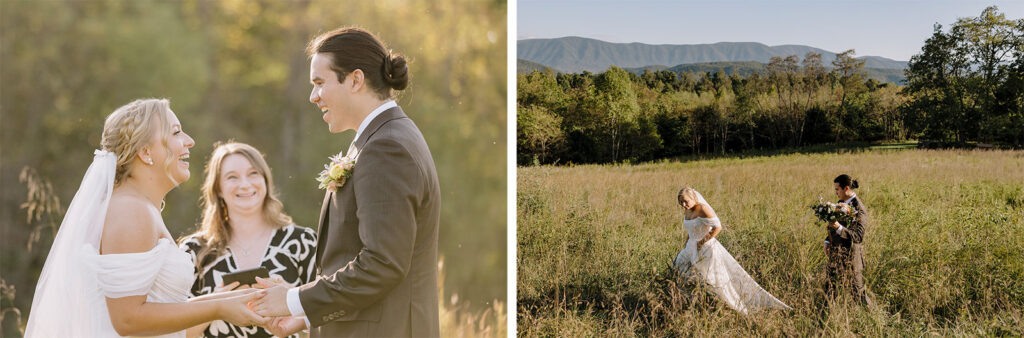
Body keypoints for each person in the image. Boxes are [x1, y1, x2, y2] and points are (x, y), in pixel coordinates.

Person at [251, 27, 441, 337]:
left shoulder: (386, 148)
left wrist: (292, 299)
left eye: (319, 83)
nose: (313, 96)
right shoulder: (384, 137)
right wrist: (307, 314)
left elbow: (382, 264)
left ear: (355, 80)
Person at [25, 99, 266, 337]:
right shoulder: (130, 211)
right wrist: (216, 306)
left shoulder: (140, 207)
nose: (189, 141)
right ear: (146, 152)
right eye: (176, 132)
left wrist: (220, 302)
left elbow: (162, 325)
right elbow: (127, 319)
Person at [179, 142, 317, 338]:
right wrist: (215, 305)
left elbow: (330, 316)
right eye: (232, 177)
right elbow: (173, 332)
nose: (245, 184)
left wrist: (291, 300)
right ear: (218, 189)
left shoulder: (302, 242)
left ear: (265, 180)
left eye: (253, 173)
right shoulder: (193, 251)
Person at [672, 187, 791, 314]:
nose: (683, 205)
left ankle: (730, 306)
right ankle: (689, 302)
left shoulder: (702, 209)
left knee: (712, 280)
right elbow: (691, 230)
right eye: (681, 202)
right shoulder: (688, 210)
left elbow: (717, 227)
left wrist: (702, 241)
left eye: (686, 201)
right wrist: (687, 242)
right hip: (690, 247)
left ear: (694, 198)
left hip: (705, 248)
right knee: (678, 268)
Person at [823, 174, 874, 306]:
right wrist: (827, 241)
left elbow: (857, 237)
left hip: (851, 257)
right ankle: (826, 316)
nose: (835, 193)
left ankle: (872, 318)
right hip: (835, 253)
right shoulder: (841, 203)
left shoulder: (859, 209)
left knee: (857, 293)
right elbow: (833, 224)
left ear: (846, 188)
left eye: (837, 189)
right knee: (829, 288)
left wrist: (839, 227)